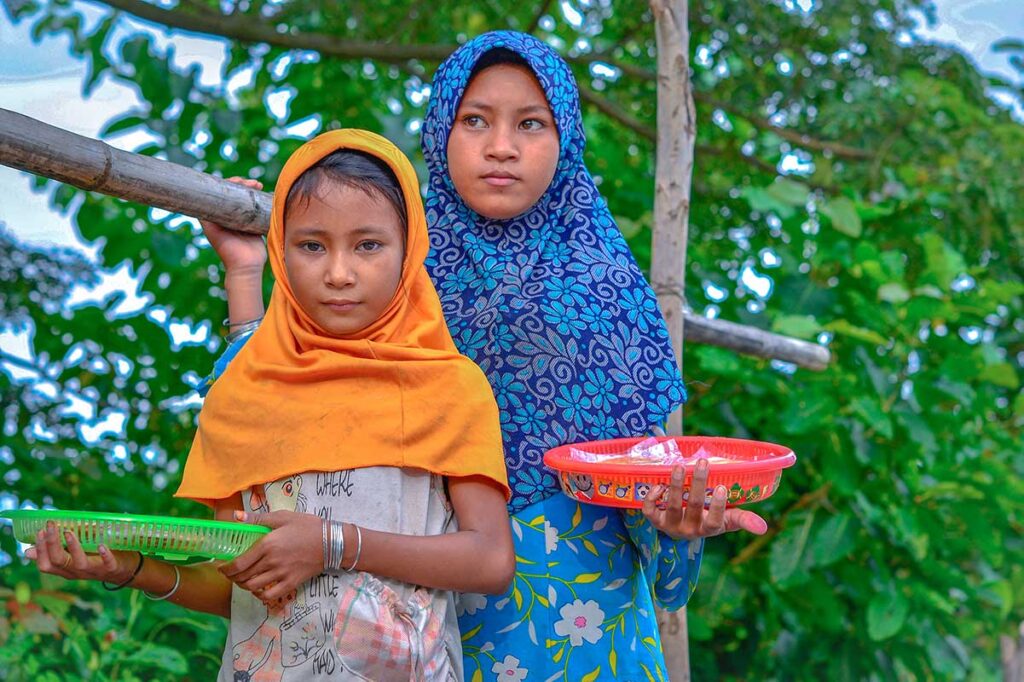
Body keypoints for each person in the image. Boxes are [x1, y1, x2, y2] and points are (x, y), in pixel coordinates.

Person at [205, 32, 768, 681]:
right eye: (475, 120)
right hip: (413, 620)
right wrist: (244, 276)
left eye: (530, 123)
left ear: (566, 139)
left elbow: (647, 489)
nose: (502, 146)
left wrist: (675, 523)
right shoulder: (394, 271)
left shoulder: (608, 290)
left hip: (590, 625)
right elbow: (283, 390)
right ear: (440, 130)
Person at [26, 129, 514, 681]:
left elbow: (489, 560)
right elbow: (235, 587)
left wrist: (333, 544)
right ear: (281, 251)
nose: (338, 273)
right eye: (311, 246)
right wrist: (132, 568)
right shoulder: (245, 394)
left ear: (410, 251)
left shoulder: (449, 387)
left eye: (368, 245)